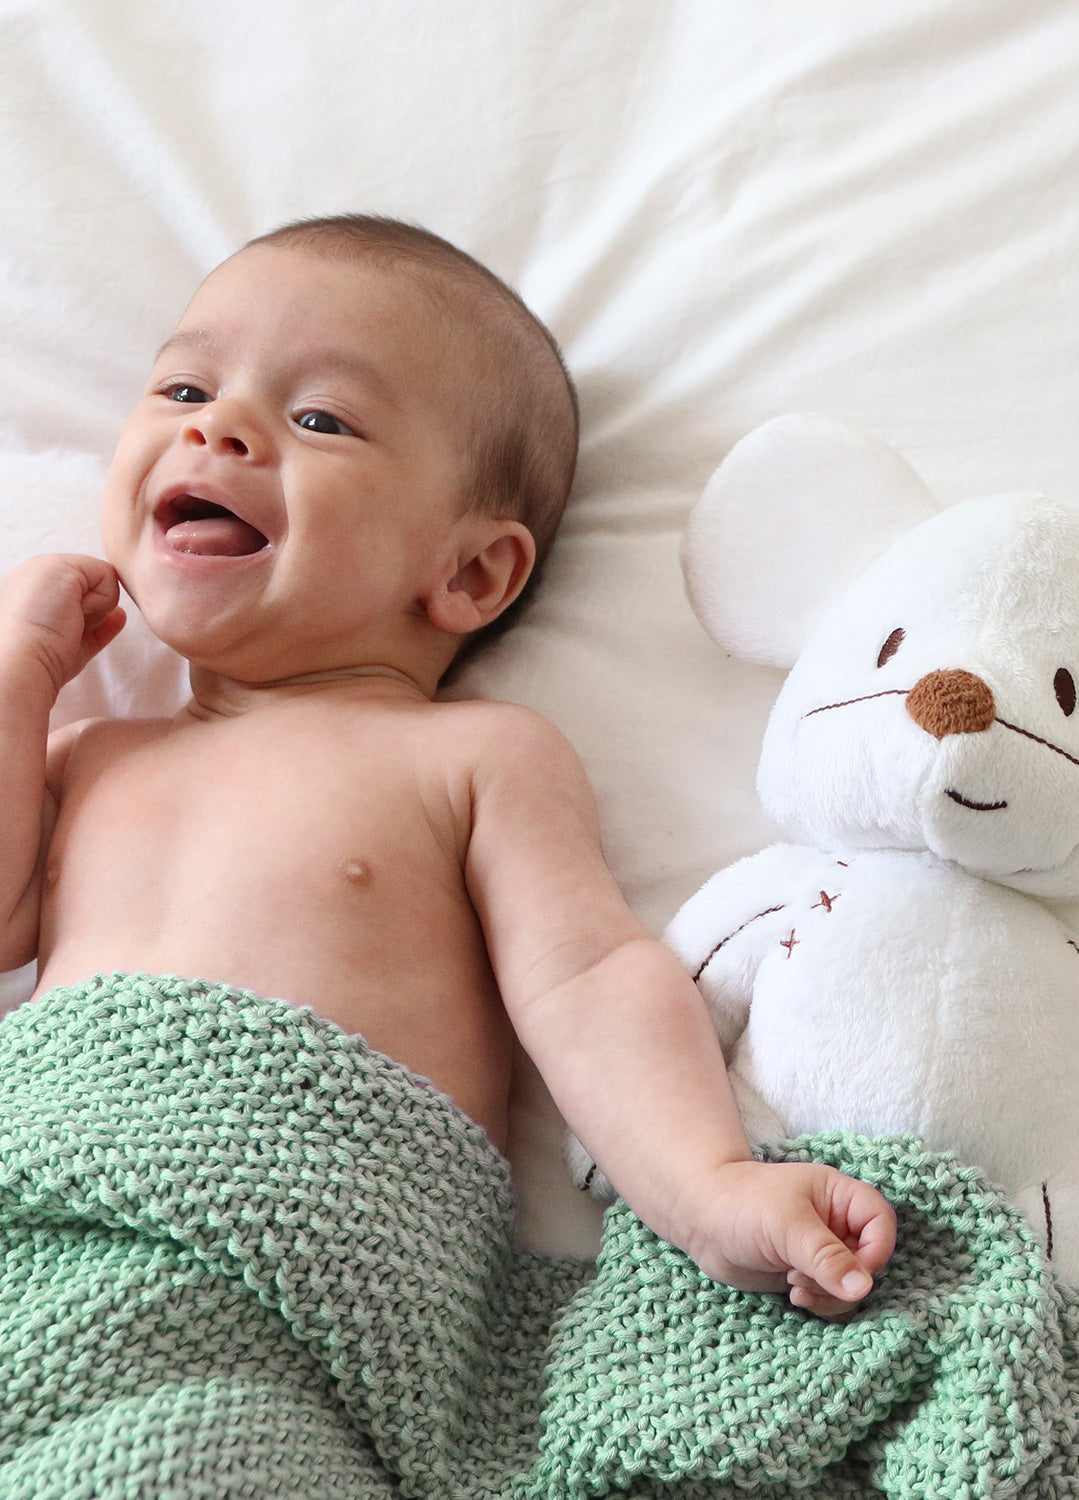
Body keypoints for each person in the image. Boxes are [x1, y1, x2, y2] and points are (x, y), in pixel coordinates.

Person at [0, 213, 895, 1317]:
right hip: (43, 1206)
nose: (216, 426)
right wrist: (21, 672)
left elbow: (587, 978)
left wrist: (705, 1184)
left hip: (301, 1249)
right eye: (186, 390)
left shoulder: (470, 758)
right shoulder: (87, 756)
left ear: (469, 573)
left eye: (320, 419)